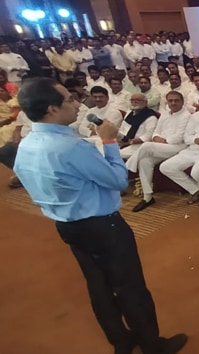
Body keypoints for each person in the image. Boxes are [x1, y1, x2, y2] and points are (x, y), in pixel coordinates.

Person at [12, 78, 187, 354]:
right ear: (51, 110)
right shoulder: (69, 147)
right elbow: (118, 179)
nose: (76, 103)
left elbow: (32, 185)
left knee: (99, 286)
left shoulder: (28, 144)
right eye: (69, 99)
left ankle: (121, 341)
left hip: (67, 225)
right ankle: (152, 346)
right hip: (103, 227)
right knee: (130, 287)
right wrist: (108, 141)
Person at [126, 91, 191, 212]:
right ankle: (148, 197)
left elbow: (180, 137)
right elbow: (156, 131)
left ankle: (127, 169)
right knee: (144, 161)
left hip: (177, 147)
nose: (173, 103)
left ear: (182, 102)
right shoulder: (165, 114)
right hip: (161, 146)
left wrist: (163, 140)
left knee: (146, 146)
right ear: (167, 102)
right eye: (170, 101)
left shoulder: (186, 115)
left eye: (176, 100)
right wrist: (156, 137)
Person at [118, 93, 159, 159]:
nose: (134, 102)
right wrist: (120, 140)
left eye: (138, 100)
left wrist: (129, 142)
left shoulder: (151, 117)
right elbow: (122, 129)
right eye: (132, 100)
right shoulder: (129, 113)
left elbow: (148, 136)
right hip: (122, 142)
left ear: (145, 103)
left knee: (116, 155)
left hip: (138, 146)